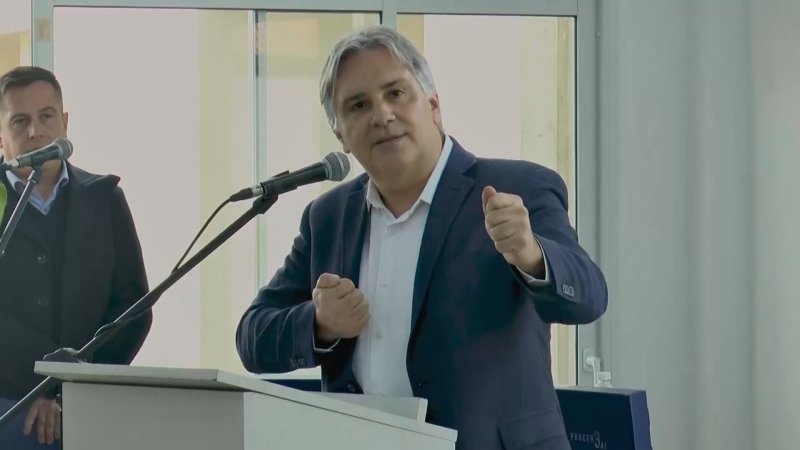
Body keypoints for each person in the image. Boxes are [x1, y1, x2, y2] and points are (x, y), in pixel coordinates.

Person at [236, 26, 607, 450]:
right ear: (341, 136)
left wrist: (531, 254)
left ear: (432, 105)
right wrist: (318, 323)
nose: (381, 115)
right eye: (358, 105)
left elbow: (589, 297)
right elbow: (253, 337)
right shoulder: (328, 217)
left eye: (395, 93)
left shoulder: (518, 187)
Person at [0, 66, 152, 448]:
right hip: (8, 403)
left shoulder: (105, 198)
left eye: (46, 117)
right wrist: (41, 386)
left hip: (89, 401)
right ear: (1, 135)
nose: (35, 132)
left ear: (65, 124)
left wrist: (74, 386)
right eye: (20, 121)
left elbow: (134, 307)